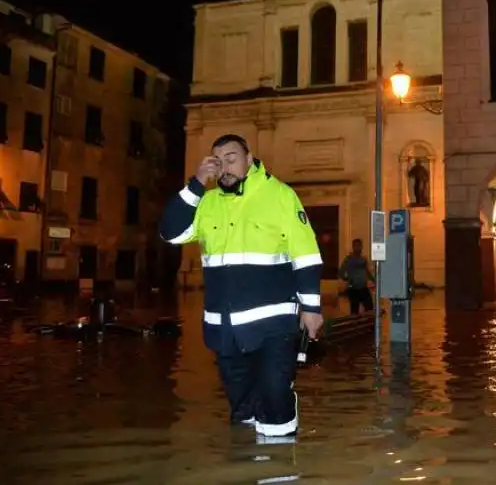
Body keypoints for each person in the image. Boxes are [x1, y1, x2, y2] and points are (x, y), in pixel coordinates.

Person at [159, 134, 323, 441]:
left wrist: (311, 308)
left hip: (274, 324)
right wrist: (196, 184)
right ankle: (247, 464)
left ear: (250, 159)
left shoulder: (280, 195)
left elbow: (305, 253)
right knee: (242, 410)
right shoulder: (206, 202)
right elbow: (170, 232)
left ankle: (280, 465)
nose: (225, 167)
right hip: (225, 329)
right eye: (218, 161)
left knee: (275, 396)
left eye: (231, 158)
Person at [338, 238, 374, 315]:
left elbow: (367, 272)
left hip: (363, 288)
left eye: (360, 246)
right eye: (356, 246)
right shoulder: (348, 259)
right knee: (354, 311)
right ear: (353, 247)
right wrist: (347, 279)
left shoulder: (363, 259)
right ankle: (354, 326)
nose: (358, 248)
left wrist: (374, 280)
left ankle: (369, 325)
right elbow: (341, 273)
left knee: (369, 308)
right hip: (353, 289)